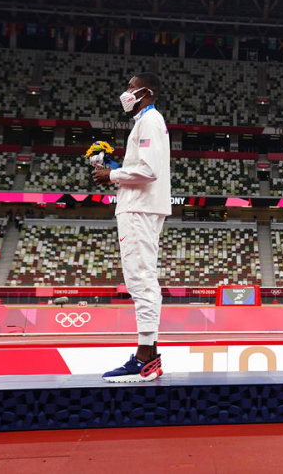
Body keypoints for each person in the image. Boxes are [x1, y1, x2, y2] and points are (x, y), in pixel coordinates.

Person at [92, 73, 171, 382]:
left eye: (129, 87)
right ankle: (147, 356)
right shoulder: (144, 122)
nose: (125, 92)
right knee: (141, 279)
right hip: (138, 206)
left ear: (146, 92)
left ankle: (144, 359)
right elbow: (142, 168)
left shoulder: (150, 121)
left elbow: (149, 170)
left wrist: (111, 177)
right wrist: (113, 169)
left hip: (140, 208)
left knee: (141, 280)